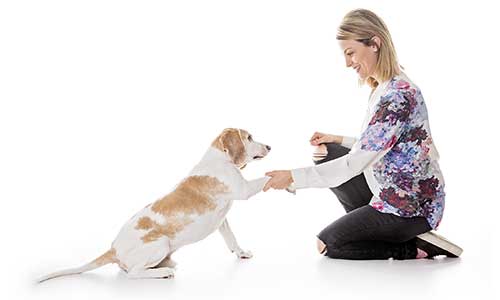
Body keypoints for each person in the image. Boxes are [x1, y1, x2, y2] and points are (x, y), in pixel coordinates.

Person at [263, 9, 462, 260]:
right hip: (392, 190)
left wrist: (292, 177)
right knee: (327, 152)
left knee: (328, 244)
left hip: (409, 207)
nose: (347, 63)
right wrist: (339, 140)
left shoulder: (397, 96)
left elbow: (356, 162)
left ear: (375, 43)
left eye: (351, 53)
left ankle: (412, 247)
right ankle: (370, 225)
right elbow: (387, 145)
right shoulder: (385, 86)